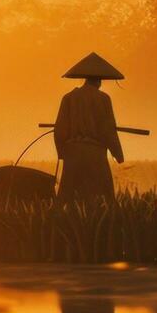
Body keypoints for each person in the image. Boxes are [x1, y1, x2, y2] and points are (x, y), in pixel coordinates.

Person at [53, 52, 124, 202]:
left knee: (68, 195)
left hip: (72, 154)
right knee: (102, 196)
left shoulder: (69, 98)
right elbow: (108, 130)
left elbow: (59, 130)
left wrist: (62, 152)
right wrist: (118, 154)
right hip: (95, 154)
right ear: (99, 82)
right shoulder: (103, 99)